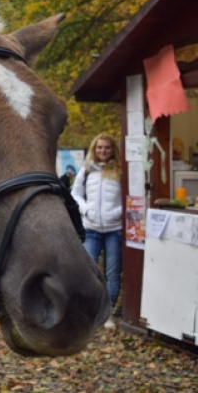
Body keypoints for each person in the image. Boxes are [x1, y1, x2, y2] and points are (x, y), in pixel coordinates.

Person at [71, 133, 123, 328]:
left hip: (114, 230)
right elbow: (75, 194)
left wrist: (116, 213)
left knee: (112, 272)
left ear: (112, 150)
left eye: (107, 148)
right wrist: (86, 210)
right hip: (91, 228)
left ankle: (107, 314)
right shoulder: (86, 171)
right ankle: (90, 311)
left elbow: (130, 197)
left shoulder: (120, 170)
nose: (103, 151)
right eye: (99, 147)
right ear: (95, 149)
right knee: (88, 269)